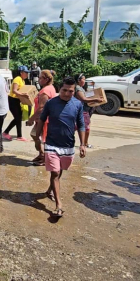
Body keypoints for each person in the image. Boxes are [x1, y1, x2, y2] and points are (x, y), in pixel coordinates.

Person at [35, 77, 86, 217]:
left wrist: (82, 144)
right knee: (55, 173)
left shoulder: (77, 105)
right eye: (64, 90)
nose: (67, 94)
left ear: (74, 91)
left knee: (59, 171)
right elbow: (42, 119)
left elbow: (81, 125)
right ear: (59, 89)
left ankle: (49, 190)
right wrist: (37, 138)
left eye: (70, 91)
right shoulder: (51, 103)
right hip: (51, 144)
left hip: (68, 145)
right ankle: (59, 205)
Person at [27, 70, 57, 166]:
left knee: (41, 138)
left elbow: (41, 108)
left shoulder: (45, 91)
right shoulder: (50, 88)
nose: (39, 79)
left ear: (46, 79)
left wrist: (31, 119)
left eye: (40, 78)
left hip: (44, 119)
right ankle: (42, 154)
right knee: (35, 135)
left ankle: (44, 156)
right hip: (44, 118)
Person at [73, 73, 103, 149]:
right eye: (83, 79)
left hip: (82, 111)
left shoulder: (80, 88)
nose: (84, 80)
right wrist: (96, 99)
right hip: (82, 111)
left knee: (78, 127)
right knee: (85, 128)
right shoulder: (78, 88)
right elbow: (84, 99)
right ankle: (84, 143)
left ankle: (83, 143)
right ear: (79, 80)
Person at [3, 65, 30, 142]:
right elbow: (14, 90)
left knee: (18, 118)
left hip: (17, 100)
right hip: (12, 100)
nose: (27, 74)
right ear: (21, 72)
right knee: (18, 118)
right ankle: (14, 134)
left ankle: (13, 134)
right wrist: (23, 95)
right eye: (26, 72)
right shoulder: (17, 79)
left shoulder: (22, 80)